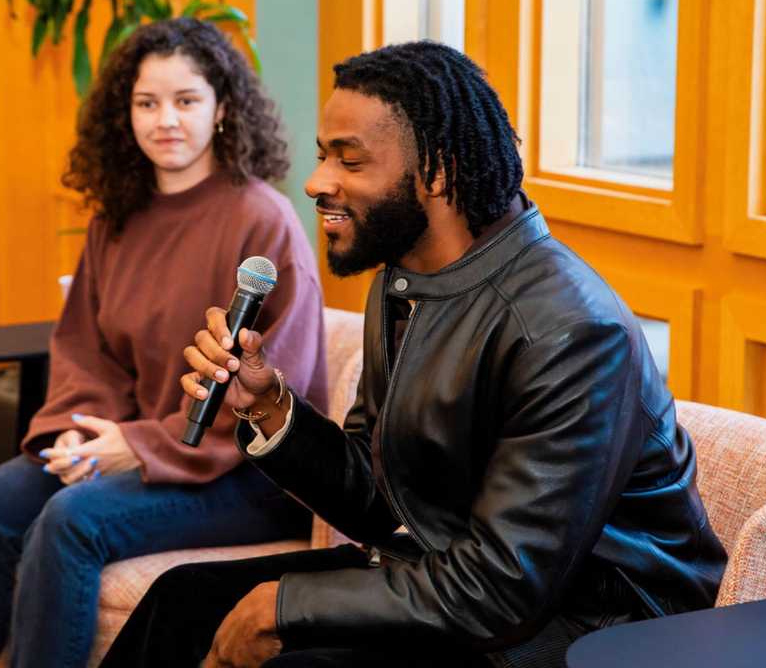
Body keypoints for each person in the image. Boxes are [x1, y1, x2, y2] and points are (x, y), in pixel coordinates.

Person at [103, 41, 728, 668]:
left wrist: (283, 607)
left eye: (349, 161)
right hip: (455, 573)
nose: (318, 182)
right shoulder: (405, 283)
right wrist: (267, 406)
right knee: (183, 599)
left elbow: (505, 587)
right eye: (324, 156)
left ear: (438, 171)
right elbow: (376, 500)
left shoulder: (569, 331)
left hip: (587, 625)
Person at [0, 18, 327, 668]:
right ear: (127, 114)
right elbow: (86, 350)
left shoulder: (262, 221)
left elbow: (271, 391)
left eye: (186, 101)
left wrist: (139, 446)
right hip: (143, 447)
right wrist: (77, 429)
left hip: (246, 475)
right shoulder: (115, 217)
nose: (165, 120)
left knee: (72, 522)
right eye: (147, 103)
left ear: (222, 109)